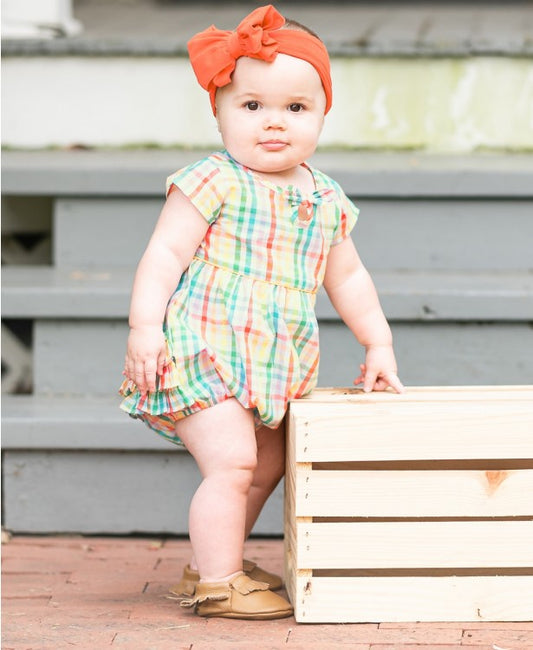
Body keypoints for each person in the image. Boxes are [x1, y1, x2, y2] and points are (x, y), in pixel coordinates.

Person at [119, 4, 404, 620]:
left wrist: (377, 343)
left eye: (295, 109)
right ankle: (220, 583)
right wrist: (145, 327)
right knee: (232, 462)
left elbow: (348, 277)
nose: (274, 123)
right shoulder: (212, 181)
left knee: (266, 464)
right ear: (218, 113)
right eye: (252, 107)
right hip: (205, 348)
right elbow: (164, 255)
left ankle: (212, 559)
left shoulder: (324, 197)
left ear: (323, 114)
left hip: (275, 360)